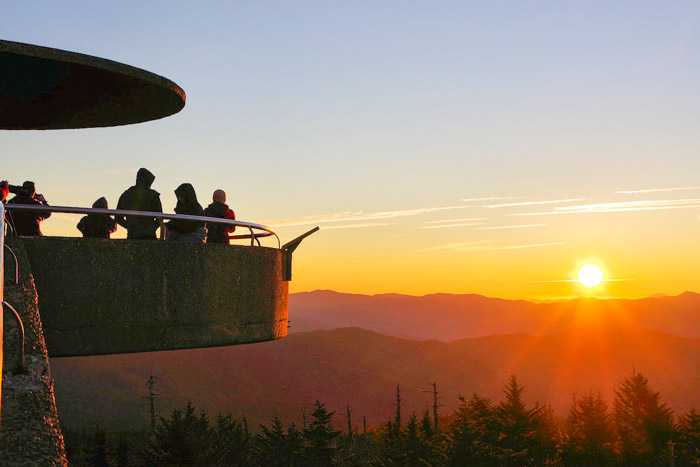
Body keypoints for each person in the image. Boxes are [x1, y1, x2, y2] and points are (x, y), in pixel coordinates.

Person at [115, 168, 163, 239]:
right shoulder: (153, 195)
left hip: (132, 234)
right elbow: (160, 217)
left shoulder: (126, 194)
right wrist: (151, 227)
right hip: (150, 235)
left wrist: (130, 226)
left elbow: (118, 217)